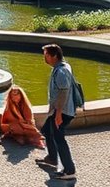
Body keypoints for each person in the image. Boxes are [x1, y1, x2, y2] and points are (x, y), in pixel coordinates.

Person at [38, 43, 76, 180]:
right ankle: (52, 158)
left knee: (59, 139)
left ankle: (69, 171)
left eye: (46, 55)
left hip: (62, 112)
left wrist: (58, 114)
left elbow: (63, 93)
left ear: (54, 56)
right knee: (47, 130)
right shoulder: (62, 66)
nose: (45, 58)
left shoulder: (60, 71)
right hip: (58, 110)